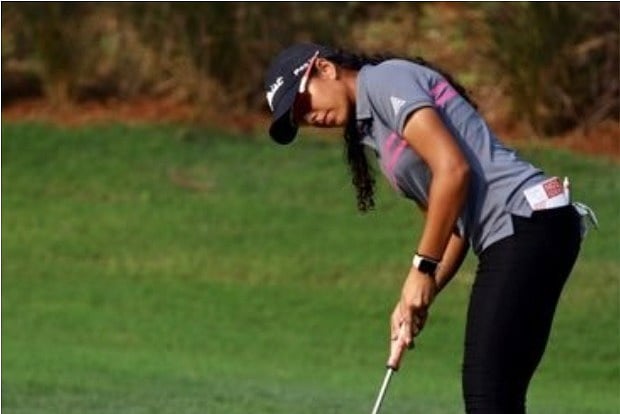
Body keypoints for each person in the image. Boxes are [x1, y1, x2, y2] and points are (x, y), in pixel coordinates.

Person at [263, 43, 592, 413]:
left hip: (526, 219)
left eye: (303, 103)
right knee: (495, 396)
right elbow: (454, 226)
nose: (309, 118)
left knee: (489, 394)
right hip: (523, 230)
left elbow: (453, 171)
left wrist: (421, 269)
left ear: (325, 69)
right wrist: (414, 301)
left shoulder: (386, 79)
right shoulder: (375, 132)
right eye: (299, 119)